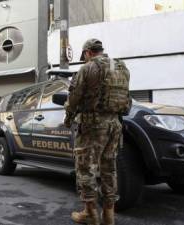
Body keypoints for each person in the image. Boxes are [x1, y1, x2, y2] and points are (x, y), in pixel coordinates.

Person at [64, 39, 131, 225]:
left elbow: (74, 98)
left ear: (87, 52)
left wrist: (68, 118)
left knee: (86, 169)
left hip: (92, 125)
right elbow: (127, 99)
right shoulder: (121, 67)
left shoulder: (88, 68)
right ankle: (109, 216)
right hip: (115, 125)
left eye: (84, 56)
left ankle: (90, 214)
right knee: (109, 169)